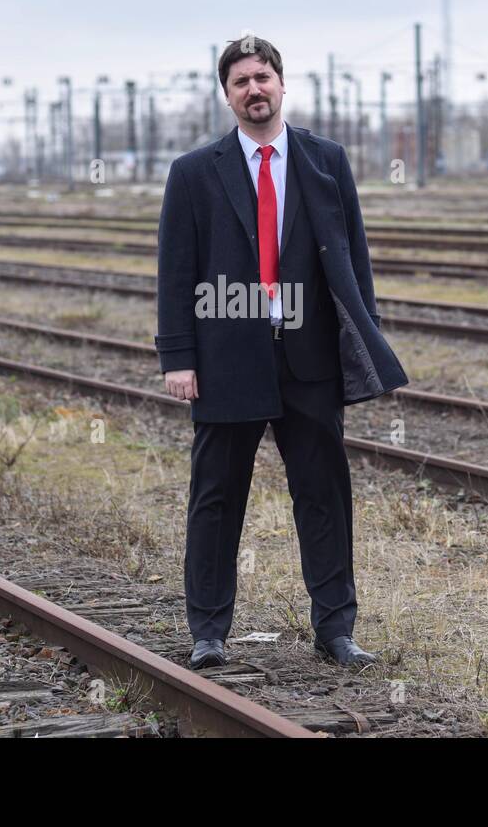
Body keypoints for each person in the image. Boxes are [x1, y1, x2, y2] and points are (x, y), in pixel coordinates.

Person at [155, 34, 408, 670]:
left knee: (324, 494)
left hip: (310, 358)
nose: (254, 90)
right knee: (216, 499)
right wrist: (177, 358)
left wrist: (362, 342)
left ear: (282, 83)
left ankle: (336, 629)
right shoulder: (193, 173)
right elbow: (175, 271)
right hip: (226, 361)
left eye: (262, 77)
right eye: (240, 81)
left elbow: (354, 260)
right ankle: (209, 631)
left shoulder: (327, 161)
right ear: (227, 94)